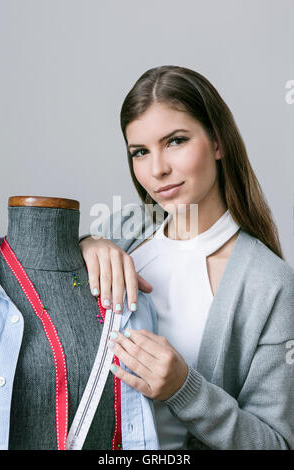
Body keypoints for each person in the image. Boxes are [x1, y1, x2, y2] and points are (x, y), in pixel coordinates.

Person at [80, 65, 294, 450]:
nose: (158, 169)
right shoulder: (122, 230)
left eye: (175, 141)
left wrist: (185, 388)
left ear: (217, 142)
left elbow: (276, 444)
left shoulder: (268, 284)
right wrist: (85, 245)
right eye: (140, 152)